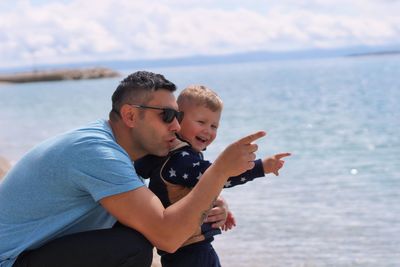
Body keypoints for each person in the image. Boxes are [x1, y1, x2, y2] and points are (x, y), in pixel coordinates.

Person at [0, 71, 266, 267]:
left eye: (179, 117)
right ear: (129, 115)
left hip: (30, 253)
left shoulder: (118, 150)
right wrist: (219, 171)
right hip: (11, 260)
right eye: (167, 116)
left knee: (137, 228)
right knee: (133, 246)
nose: (176, 127)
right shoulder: (98, 154)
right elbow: (168, 236)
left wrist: (213, 199)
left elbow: (160, 205)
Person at [134, 85, 291, 267]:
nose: (208, 130)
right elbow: (221, 175)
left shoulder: (172, 154)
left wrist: (217, 204)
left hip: (184, 249)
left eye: (214, 125)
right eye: (201, 122)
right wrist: (261, 167)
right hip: (191, 250)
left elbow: (200, 187)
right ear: (178, 119)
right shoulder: (180, 160)